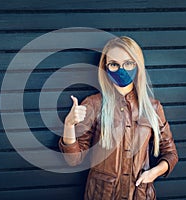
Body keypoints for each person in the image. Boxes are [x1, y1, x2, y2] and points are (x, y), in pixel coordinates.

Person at [58, 36, 178, 200]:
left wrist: (153, 173)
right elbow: (74, 160)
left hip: (139, 195)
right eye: (114, 64)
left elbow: (170, 153)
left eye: (128, 63)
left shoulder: (153, 108)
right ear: (106, 67)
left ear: (137, 65)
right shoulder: (93, 104)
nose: (121, 70)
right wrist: (69, 125)